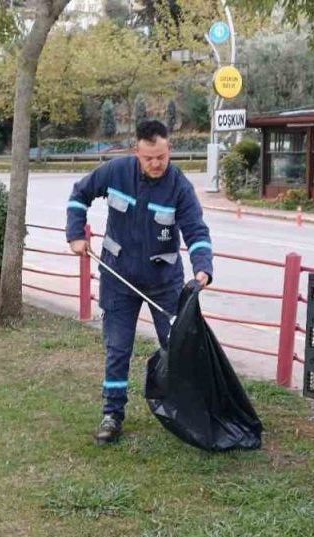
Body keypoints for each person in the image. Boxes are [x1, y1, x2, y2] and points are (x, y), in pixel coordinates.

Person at [66, 120, 214, 444]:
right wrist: (76, 234)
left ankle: (184, 412)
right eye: (149, 158)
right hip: (118, 278)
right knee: (117, 349)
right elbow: (80, 195)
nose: (156, 164)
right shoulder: (116, 172)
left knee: (175, 349)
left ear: (169, 150)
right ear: (137, 152)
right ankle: (112, 415)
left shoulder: (179, 187)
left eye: (161, 156)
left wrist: (203, 268)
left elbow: (197, 231)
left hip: (164, 283)